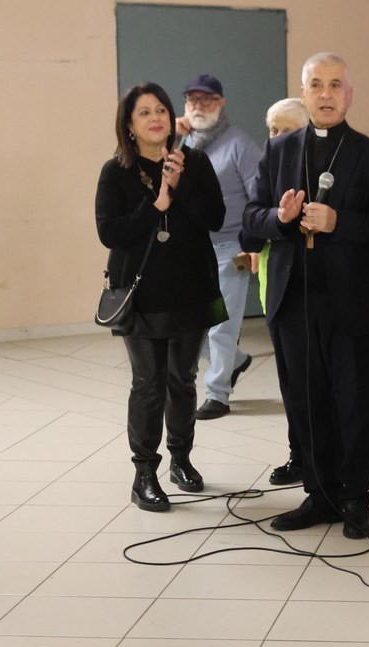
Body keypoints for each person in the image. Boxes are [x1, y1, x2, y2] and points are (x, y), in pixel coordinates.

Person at [242, 53, 369, 539]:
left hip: (350, 300)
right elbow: (251, 219)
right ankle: (319, 493)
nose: (327, 94)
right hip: (295, 298)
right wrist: (281, 220)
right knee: (306, 401)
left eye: (336, 85)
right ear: (305, 93)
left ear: (349, 95)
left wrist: (340, 222)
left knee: (352, 401)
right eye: (317, 85)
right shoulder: (279, 151)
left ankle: (355, 497)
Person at [95, 82, 226, 512]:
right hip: (141, 292)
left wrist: (180, 183)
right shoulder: (115, 172)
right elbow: (110, 233)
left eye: (161, 112)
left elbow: (215, 217)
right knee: (149, 385)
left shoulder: (197, 162)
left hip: (190, 288)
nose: (155, 119)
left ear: (171, 120)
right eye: (144, 113)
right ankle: (144, 474)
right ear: (129, 127)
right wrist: (157, 201)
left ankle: (181, 460)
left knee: (182, 381)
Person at [175, 74, 262, 421]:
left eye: (207, 100)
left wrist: (254, 244)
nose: (199, 106)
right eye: (192, 100)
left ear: (221, 103)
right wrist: (177, 138)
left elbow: (259, 196)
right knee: (194, 322)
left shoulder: (239, 145)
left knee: (220, 325)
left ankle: (218, 394)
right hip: (191, 250)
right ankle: (236, 362)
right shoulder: (182, 143)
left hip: (230, 247)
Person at [252, 98, 312, 487]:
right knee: (290, 383)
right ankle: (299, 455)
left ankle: (323, 458)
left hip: (310, 290)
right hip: (274, 288)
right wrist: (276, 219)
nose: (275, 137)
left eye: (284, 129)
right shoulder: (269, 164)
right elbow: (250, 221)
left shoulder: (313, 167)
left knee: (312, 384)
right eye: (271, 129)